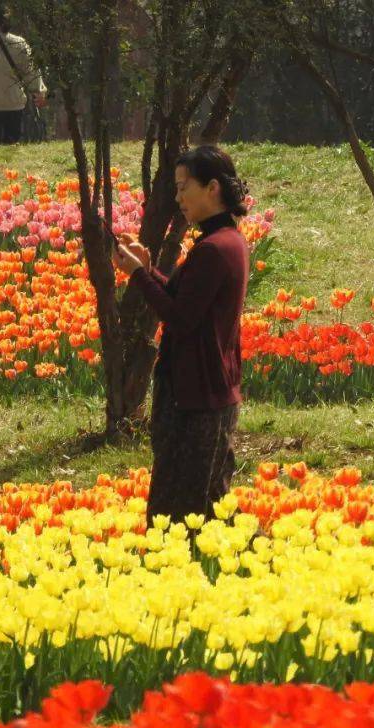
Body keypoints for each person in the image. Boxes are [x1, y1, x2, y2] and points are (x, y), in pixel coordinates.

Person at [112, 145, 250, 528]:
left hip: (197, 394)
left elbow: (180, 317)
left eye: (184, 187)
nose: (178, 197)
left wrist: (139, 275)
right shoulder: (226, 241)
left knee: (184, 508)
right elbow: (182, 298)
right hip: (204, 388)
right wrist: (147, 268)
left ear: (212, 188)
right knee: (202, 499)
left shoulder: (215, 249)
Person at [0, 5, 46, 145]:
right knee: (11, 146)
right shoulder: (19, 43)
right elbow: (31, 71)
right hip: (13, 104)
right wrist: (39, 92)